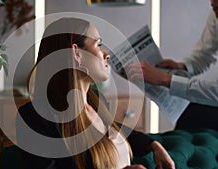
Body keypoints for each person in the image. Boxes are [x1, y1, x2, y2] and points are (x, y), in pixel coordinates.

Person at [16, 17, 175, 169]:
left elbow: (118, 131)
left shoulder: (96, 101)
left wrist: (154, 145)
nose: (107, 54)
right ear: (77, 53)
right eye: (98, 44)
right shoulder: (35, 117)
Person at [126, 0, 218, 130]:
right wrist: (183, 66)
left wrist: (165, 79)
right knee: (189, 116)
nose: (212, 4)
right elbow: (205, 53)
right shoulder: (215, 14)